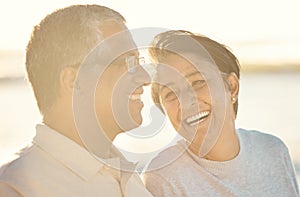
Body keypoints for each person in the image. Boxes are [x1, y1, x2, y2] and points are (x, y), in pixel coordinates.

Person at [0, 5, 152, 196]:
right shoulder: (17, 187)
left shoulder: (129, 177)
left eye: (139, 62)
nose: (146, 78)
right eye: (128, 62)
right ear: (74, 80)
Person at [143, 30, 299, 196]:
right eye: (170, 94)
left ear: (232, 87)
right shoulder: (162, 177)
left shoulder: (273, 150)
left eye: (197, 82)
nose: (185, 101)